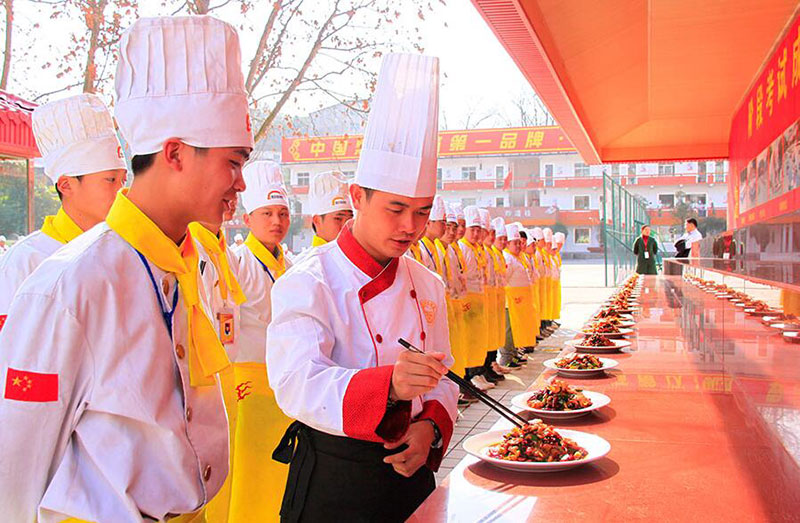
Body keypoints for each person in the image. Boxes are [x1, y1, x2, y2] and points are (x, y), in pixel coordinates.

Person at [0, 15, 252, 521]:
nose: (240, 184)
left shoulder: (190, 262)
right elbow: (15, 469)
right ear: (175, 153)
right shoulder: (69, 285)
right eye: (234, 161)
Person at [267, 53, 457, 523]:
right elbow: (296, 383)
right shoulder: (309, 281)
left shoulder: (427, 284)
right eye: (396, 209)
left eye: (423, 211)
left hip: (411, 476)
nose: (410, 226)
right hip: (335, 478)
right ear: (357, 197)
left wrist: (430, 427)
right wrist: (388, 384)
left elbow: (446, 374)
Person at [0, 94, 127, 320]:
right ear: (66, 185)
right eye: (110, 180)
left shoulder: (125, 250)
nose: (121, 191)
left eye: (123, 180)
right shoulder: (27, 260)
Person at [229, 160, 294, 521]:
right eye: (267, 213)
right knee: (251, 472)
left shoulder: (293, 263)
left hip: (284, 382)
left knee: (281, 475)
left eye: (283, 213)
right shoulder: (237, 261)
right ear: (247, 218)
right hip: (251, 385)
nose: (276, 222)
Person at [189, 196, 247, 523]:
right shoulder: (190, 249)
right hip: (203, 380)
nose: (230, 197)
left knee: (226, 476)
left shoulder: (223, 251)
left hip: (228, 376)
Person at [501, 223, 537, 366]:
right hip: (510, 303)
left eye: (519, 243)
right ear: (508, 244)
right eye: (514, 243)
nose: (518, 246)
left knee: (518, 330)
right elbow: (504, 281)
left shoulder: (518, 257)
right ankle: (506, 358)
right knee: (509, 331)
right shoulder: (508, 258)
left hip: (520, 302)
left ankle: (514, 355)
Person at [307, 170, 353, 246]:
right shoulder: (312, 257)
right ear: (317, 221)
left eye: (349, 220)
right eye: (338, 219)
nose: (346, 227)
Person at [419, 195, 447, 277]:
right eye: (442, 223)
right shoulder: (421, 248)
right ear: (428, 223)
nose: (445, 227)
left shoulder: (438, 248)